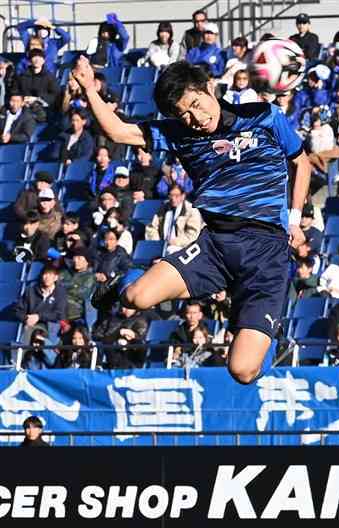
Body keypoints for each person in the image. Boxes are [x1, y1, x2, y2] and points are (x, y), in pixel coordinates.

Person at [72, 56, 310, 384]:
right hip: (216, 247)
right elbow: (118, 130)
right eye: (183, 113)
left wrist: (295, 220)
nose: (195, 118)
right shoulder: (178, 134)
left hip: (266, 254)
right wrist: (88, 88)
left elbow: (302, 162)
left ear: (209, 88)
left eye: (196, 104)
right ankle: (126, 280)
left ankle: (270, 336)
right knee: (135, 298)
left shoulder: (264, 116)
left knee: (242, 370)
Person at [144, 184, 204, 254]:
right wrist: (156, 243)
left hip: (182, 247)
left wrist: (175, 241)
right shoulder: (163, 207)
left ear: (183, 196)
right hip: (162, 245)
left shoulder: (191, 210)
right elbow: (152, 227)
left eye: (176, 196)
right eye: (171, 195)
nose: (173, 198)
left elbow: (193, 234)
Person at [59, 246, 97, 325]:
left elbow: (82, 294)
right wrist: (73, 285)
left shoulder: (90, 277)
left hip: (75, 313)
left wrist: (65, 286)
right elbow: (55, 285)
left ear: (87, 262)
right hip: (57, 308)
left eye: (79, 258)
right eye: (75, 258)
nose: (76, 260)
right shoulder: (65, 272)